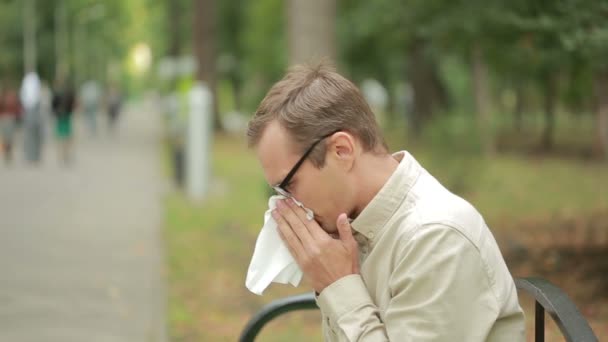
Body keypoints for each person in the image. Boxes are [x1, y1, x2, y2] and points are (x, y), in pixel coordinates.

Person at [246, 62, 525, 341]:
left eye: (289, 185)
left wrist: (338, 286)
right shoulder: (356, 228)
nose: (285, 206)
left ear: (342, 151)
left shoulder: (437, 238)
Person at [20, 71, 43, 164]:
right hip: (30, 110)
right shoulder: (31, 80)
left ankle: (33, 156)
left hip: (31, 110)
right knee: (32, 135)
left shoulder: (30, 80)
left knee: (32, 135)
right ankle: (32, 156)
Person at [52, 81, 76, 164]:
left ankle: (61, 155)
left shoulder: (57, 93)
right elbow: (73, 103)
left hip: (60, 116)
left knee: (61, 136)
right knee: (66, 136)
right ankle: (64, 154)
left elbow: (53, 105)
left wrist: (55, 112)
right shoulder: (69, 92)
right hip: (66, 116)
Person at [0, 85, 22, 164]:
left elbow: (17, 108)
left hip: (9, 118)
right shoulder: (4, 98)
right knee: (6, 138)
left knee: (9, 138)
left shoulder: (10, 97)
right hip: (5, 118)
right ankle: (7, 154)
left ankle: (8, 154)